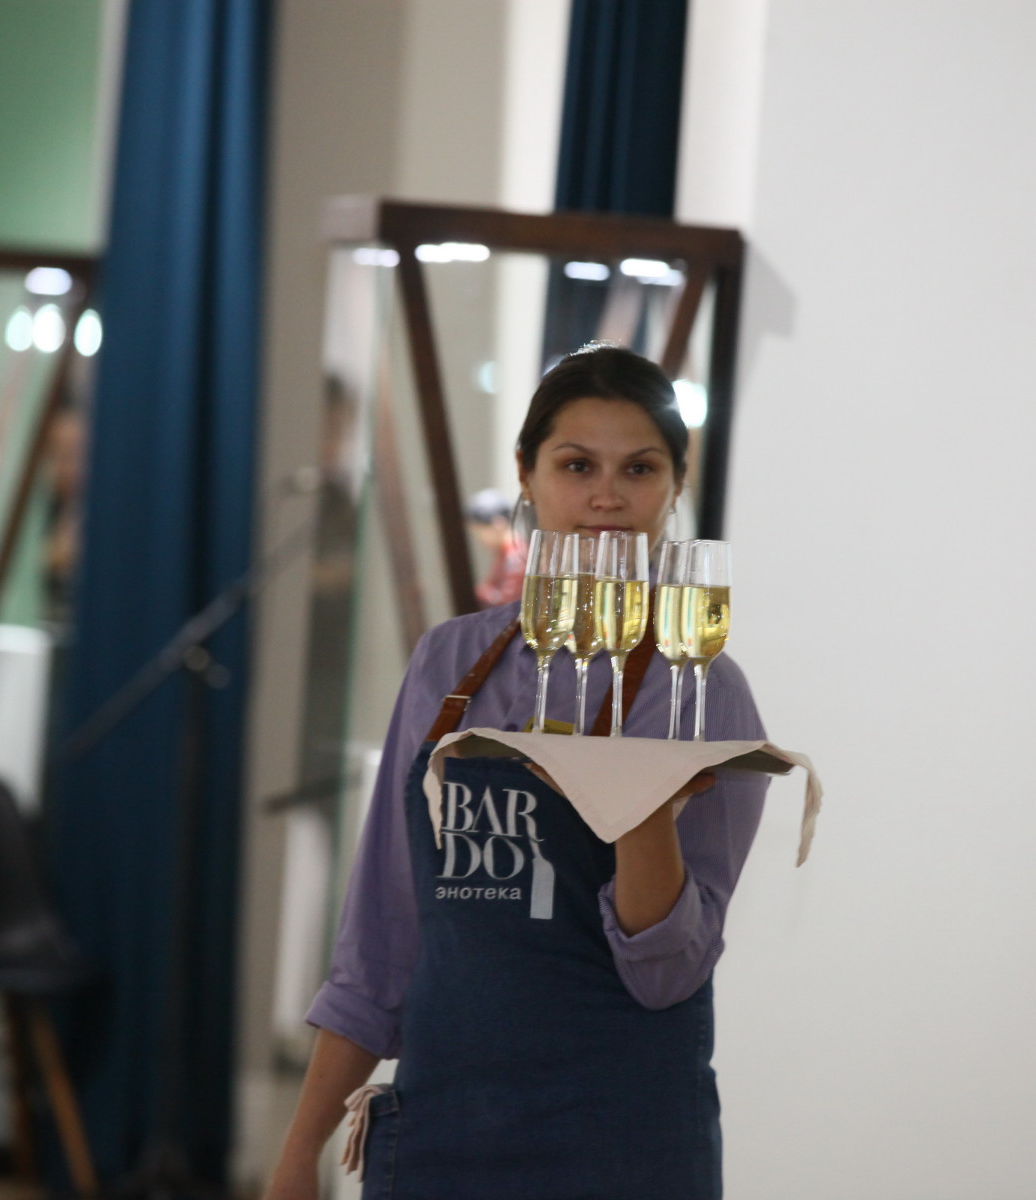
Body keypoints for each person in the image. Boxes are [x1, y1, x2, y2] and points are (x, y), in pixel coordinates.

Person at [264, 345, 769, 1199]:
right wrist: (299, 1149)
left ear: (676, 485)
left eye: (639, 468)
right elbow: (382, 944)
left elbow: (667, 973)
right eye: (577, 465)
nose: (607, 495)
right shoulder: (449, 662)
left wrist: (640, 807)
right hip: (443, 1129)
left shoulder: (702, 693)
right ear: (526, 475)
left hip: (623, 1140)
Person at [466, 486, 524, 607]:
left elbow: (510, 601)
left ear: (498, 524)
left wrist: (482, 593)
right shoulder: (503, 553)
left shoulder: (515, 556)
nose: (479, 538)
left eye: (480, 531)